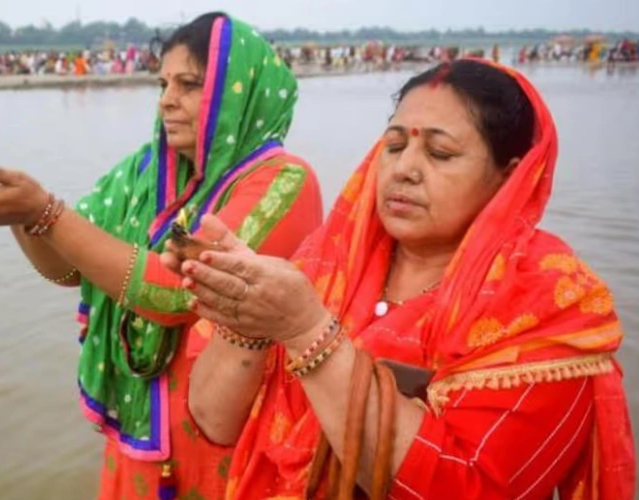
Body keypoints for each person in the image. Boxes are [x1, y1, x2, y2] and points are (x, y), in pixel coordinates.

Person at [171, 59, 634, 499]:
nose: (404, 169)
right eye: (393, 146)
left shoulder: (545, 301)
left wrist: (307, 333)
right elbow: (215, 423)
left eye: (440, 153)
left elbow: (468, 488)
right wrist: (244, 316)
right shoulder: (325, 264)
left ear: (509, 177)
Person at [0, 12, 323, 500]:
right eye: (163, 82)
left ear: (242, 91)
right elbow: (67, 268)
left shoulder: (282, 180)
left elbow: (176, 293)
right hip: (142, 433)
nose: (167, 99)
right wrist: (19, 217)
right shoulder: (145, 171)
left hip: (233, 440)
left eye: (190, 84)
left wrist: (44, 210)